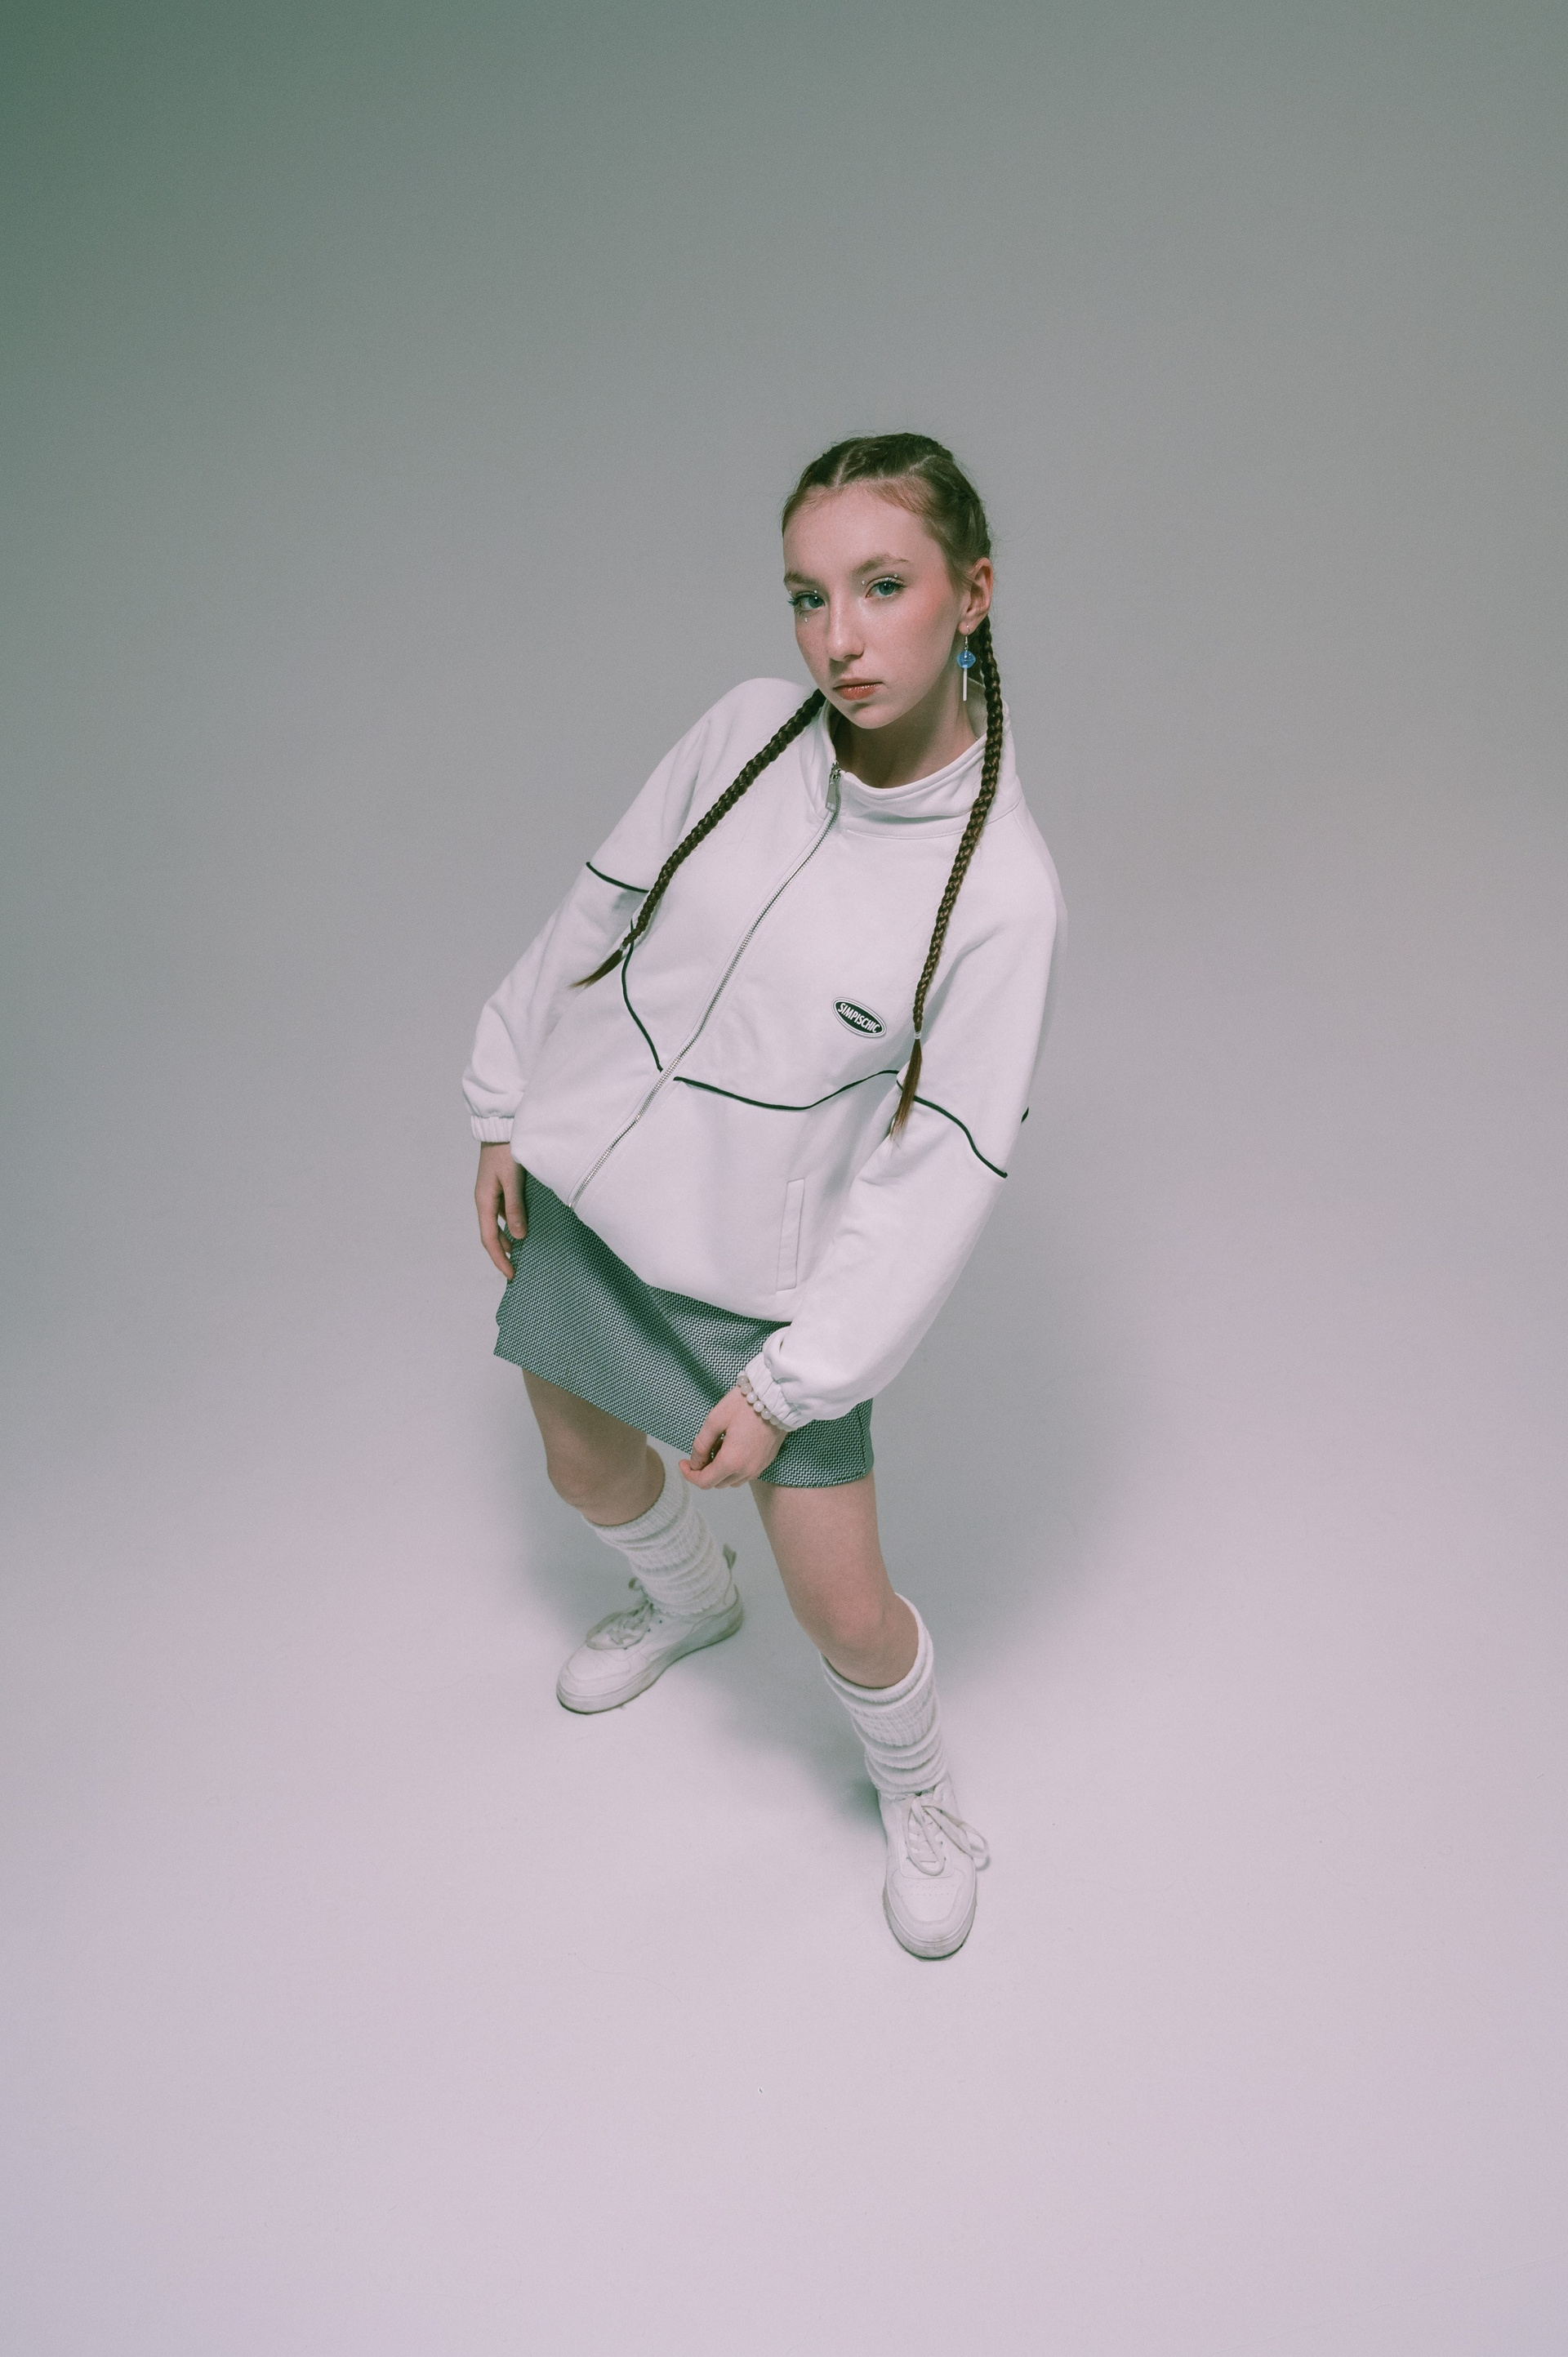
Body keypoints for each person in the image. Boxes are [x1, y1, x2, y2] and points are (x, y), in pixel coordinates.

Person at [465, 433, 1063, 1958]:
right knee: (581, 1461)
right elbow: (599, 905)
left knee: (847, 1611)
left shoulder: (1002, 892)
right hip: (599, 1194)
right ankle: (684, 1599)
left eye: (884, 586)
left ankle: (921, 1792)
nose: (839, 637)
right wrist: (504, 1096)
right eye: (808, 595)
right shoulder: (745, 730)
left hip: (768, 1293)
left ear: (973, 593)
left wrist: (795, 1381)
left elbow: (943, 1172)